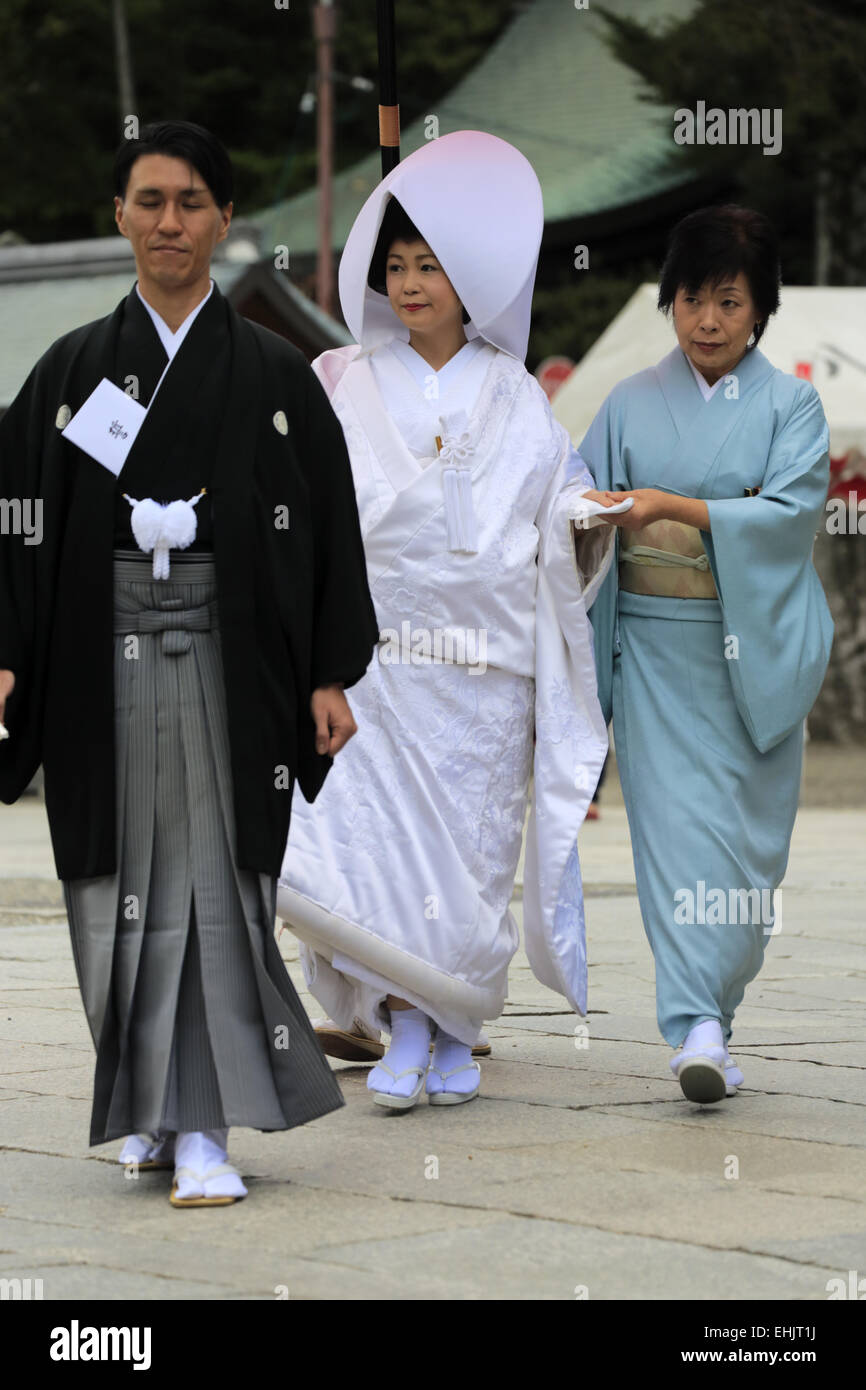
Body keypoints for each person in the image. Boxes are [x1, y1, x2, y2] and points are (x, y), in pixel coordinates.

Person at [0, 121, 379, 1203]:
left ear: (223, 220)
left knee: (215, 887)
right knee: (116, 888)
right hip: (98, 668)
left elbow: (326, 532)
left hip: (231, 666)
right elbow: (16, 518)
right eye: (150, 200)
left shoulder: (272, 375)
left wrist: (325, 671)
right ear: (118, 213)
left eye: (192, 202)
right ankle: (149, 1109)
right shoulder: (74, 372)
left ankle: (205, 1120)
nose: (170, 222)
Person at [277, 131, 616, 1110]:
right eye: (397, 264)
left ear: (469, 278)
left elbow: (557, 501)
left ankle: (449, 1023)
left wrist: (585, 522)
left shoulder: (517, 394)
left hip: (482, 667)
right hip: (379, 655)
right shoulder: (342, 378)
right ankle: (402, 1016)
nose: (412, 282)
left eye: (429, 265)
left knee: (468, 854)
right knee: (372, 844)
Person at [578, 204, 833, 1103]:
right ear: (670, 303)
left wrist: (671, 507)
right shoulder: (627, 402)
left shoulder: (791, 404)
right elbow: (577, 498)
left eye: (730, 302)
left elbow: (793, 514)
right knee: (675, 838)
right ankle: (697, 1024)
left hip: (748, 654)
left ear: (760, 310)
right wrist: (594, 514)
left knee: (745, 855)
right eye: (693, 300)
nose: (710, 322)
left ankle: (717, 1004)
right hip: (653, 651)